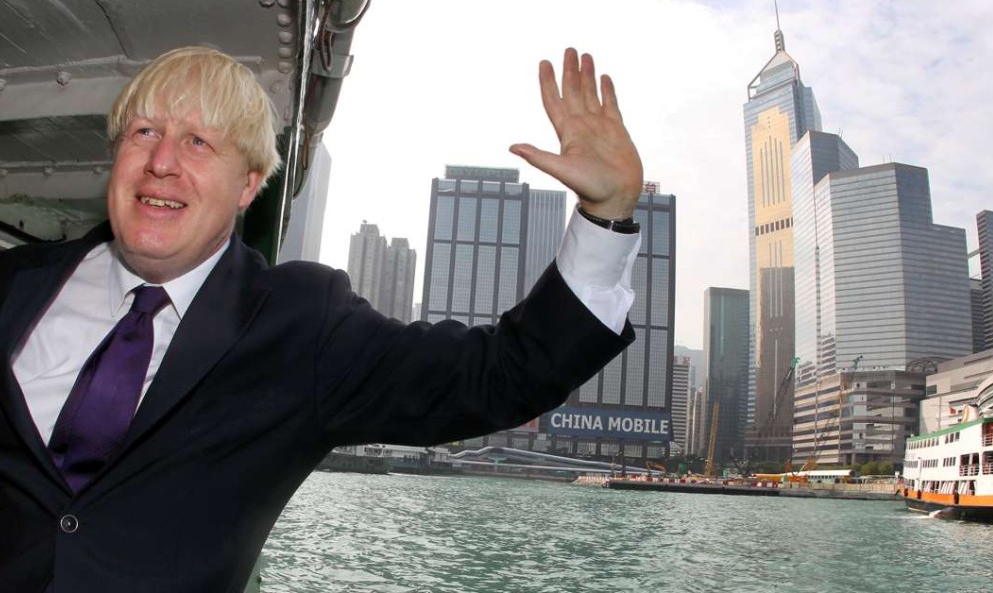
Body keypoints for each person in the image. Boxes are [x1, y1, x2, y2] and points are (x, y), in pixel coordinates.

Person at [0, 45, 643, 592]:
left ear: (249, 185)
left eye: (197, 141)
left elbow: (501, 375)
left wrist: (606, 214)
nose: (161, 161)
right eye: (143, 132)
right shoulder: (14, 286)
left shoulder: (303, 326)